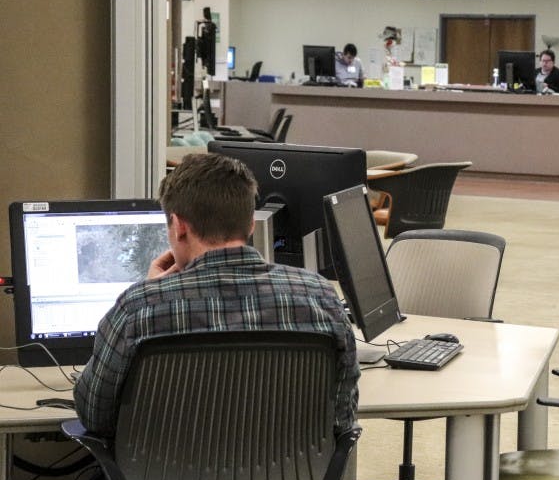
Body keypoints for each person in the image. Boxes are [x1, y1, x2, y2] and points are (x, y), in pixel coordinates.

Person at [73, 153, 360, 439]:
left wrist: (149, 292)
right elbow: (342, 417)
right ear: (251, 224)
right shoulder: (320, 296)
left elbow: (94, 415)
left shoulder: (139, 308)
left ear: (179, 226)